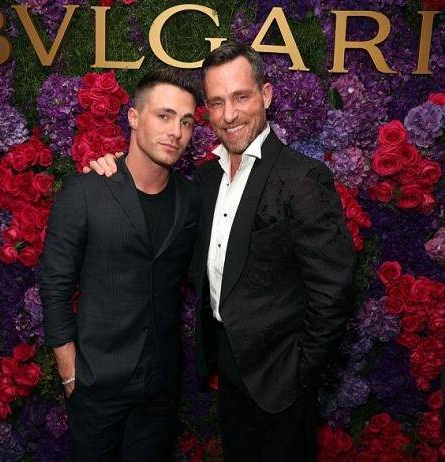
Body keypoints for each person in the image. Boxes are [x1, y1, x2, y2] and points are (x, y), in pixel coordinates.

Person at [86, 42, 356, 462]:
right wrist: (114, 170)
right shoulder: (206, 178)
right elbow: (166, 223)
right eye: (216, 102)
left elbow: (333, 291)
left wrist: (299, 374)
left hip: (282, 380)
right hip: (228, 369)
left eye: (241, 97)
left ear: (266, 95)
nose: (229, 114)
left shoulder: (303, 178)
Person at [40, 68, 200, 462]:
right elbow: (55, 285)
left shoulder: (192, 199)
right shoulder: (85, 191)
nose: (176, 132)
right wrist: (71, 374)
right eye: (164, 116)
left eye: (186, 122)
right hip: (96, 382)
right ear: (133, 117)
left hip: (161, 385)